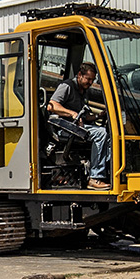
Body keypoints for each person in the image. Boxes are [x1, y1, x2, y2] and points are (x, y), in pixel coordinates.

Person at [46, 62, 111, 190]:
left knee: (109, 135)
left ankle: (105, 174)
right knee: (100, 133)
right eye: (88, 79)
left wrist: (99, 116)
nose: (90, 83)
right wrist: (72, 113)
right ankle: (95, 177)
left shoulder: (84, 91)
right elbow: (52, 106)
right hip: (64, 128)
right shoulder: (67, 86)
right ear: (80, 75)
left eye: (92, 80)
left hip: (77, 127)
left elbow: (85, 117)